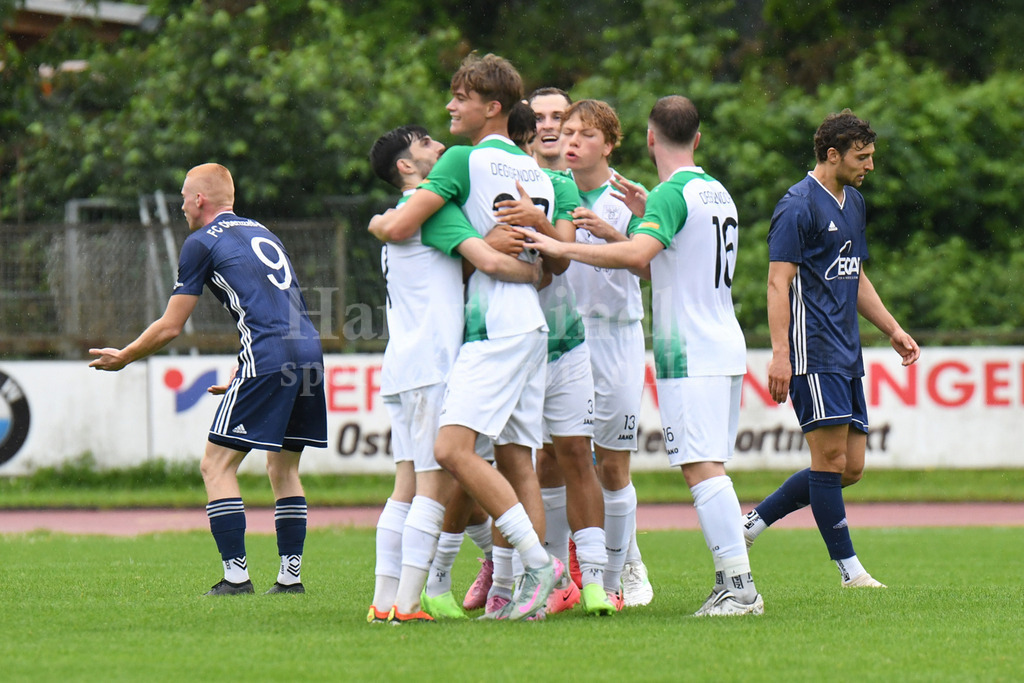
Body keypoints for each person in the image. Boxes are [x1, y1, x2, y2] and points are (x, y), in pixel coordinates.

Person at [517, 96, 764, 616]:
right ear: (696, 138)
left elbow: (636, 256)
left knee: (701, 470)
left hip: (688, 348)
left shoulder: (671, 193)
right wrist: (634, 223)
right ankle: (730, 582)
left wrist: (565, 248)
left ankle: (738, 587)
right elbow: (665, 263)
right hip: (722, 341)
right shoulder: (715, 190)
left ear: (649, 139)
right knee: (707, 467)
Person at [367, 53, 561, 622]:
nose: (449, 108)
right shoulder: (535, 172)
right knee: (515, 462)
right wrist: (530, 266)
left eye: (460, 98)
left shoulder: (461, 165)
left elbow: (401, 224)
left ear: (491, 107)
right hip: (528, 326)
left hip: (487, 333)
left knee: (445, 458)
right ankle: (513, 591)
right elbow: (544, 266)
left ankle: (532, 565)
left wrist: (380, 220)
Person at [89, 163, 327, 596]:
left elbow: (170, 325)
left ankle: (236, 578)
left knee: (215, 464)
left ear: (200, 200)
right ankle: (290, 579)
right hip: (307, 350)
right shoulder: (262, 232)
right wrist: (248, 360)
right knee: (283, 466)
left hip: (270, 354)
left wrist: (125, 355)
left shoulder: (200, 242)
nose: (181, 203)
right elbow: (277, 303)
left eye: (184, 195)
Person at [741, 110, 920, 588]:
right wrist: (781, 354)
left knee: (851, 468)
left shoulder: (854, 202)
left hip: (847, 352)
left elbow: (854, 273)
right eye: (862, 157)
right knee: (829, 463)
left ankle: (751, 526)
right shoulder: (797, 205)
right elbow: (778, 284)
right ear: (832, 154)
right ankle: (850, 571)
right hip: (811, 349)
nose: (870, 166)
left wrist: (891, 328)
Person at [497, 99, 616, 616]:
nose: (546, 134)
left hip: (564, 342)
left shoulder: (560, 185)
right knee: (509, 463)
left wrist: (536, 222)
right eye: (538, 126)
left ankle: (593, 582)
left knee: (575, 455)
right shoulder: (483, 179)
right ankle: (509, 581)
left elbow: (562, 260)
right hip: (506, 341)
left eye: (556, 124)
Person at [560, 98, 654, 608]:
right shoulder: (549, 191)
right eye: (568, 132)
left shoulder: (629, 199)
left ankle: (621, 576)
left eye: (586, 134)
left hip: (616, 336)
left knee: (613, 466)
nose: (572, 141)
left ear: (610, 144)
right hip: (564, 338)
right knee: (560, 458)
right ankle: (562, 578)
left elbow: (651, 271)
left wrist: (614, 236)